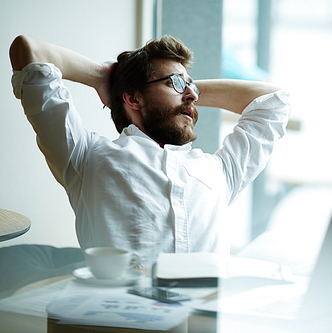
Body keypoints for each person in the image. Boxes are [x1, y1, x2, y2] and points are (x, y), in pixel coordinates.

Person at [9, 35, 290, 267]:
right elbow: (29, 51)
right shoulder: (86, 156)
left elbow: (274, 101)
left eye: (191, 86)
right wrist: (103, 77)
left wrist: (185, 87)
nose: (192, 95)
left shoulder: (220, 170)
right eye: (176, 84)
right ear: (133, 98)